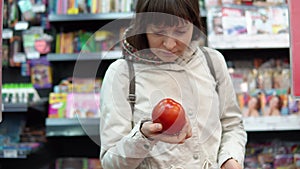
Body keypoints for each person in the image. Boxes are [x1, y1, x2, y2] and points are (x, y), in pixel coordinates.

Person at [99, 0, 247, 168]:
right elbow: (110, 162)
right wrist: (143, 136)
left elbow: (232, 125)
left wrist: (230, 159)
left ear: (195, 24)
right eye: (158, 33)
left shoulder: (212, 62)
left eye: (181, 31)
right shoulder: (122, 74)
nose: (169, 44)